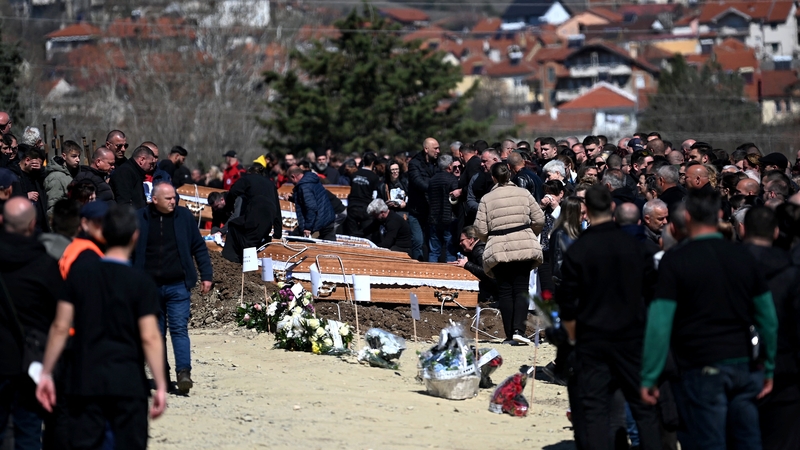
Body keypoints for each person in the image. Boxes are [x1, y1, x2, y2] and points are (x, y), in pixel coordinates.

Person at [640, 189, 778, 450]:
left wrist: (650, 375)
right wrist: (769, 366)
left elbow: (660, 322)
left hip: (700, 364)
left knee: (708, 441)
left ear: (688, 216)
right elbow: (767, 317)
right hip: (743, 364)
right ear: (719, 215)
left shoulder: (675, 260)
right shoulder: (743, 256)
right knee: (748, 440)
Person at [36, 204, 167, 449]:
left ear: (103, 233)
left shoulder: (80, 273)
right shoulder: (141, 283)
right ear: (135, 236)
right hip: (127, 382)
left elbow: (61, 327)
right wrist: (160, 384)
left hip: (85, 378)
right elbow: (150, 336)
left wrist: (46, 373)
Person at [557, 185, 662, 450]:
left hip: (593, 338)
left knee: (595, 409)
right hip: (632, 336)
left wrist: (572, 337)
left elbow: (567, 303)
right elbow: (653, 295)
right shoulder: (636, 246)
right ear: (612, 208)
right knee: (643, 407)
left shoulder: (579, 249)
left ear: (588, 210)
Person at [134, 183, 212, 394]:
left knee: (179, 329)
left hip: (178, 284)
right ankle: (162, 376)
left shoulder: (184, 217)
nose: (173, 201)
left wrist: (206, 276)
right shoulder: (139, 218)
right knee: (156, 334)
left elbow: (198, 247)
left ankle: (184, 372)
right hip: (149, 288)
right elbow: (128, 250)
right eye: (167, 198)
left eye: (174, 197)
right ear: (154, 200)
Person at [0, 197, 64, 450]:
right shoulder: (45, 264)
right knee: (29, 431)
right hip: (32, 359)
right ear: (33, 224)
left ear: (3, 221)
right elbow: (59, 315)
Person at [739, 206, 800, 450]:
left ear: (742, 231)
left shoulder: (729, 264)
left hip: (737, 361)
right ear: (775, 232)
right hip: (786, 367)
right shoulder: (790, 271)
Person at [474, 163, 545, 344]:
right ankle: (518, 331)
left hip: (499, 247)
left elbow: (480, 229)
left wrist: (489, 238)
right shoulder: (524, 193)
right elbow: (539, 219)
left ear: (493, 178)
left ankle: (509, 334)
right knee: (521, 289)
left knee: (505, 291)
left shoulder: (487, 199)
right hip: (523, 243)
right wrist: (529, 233)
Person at [221, 166, 282, 264]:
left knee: (234, 226)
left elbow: (233, 192)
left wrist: (229, 208)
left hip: (256, 208)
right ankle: (248, 263)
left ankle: (233, 260)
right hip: (270, 213)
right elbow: (278, 210)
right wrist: (278, 234)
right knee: (255, 236)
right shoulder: (271, 184)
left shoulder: (247, 179)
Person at [407, 138, 440, 260]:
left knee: (431, 243)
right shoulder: (414, 164)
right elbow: (418, 182)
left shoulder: (436, 164)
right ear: (426, 149)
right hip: (416, 211)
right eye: (435, 148)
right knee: (418, 241)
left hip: (431, 211)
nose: (438, 151)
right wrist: (435, 188)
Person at [287, 167, 336, 240]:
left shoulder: (304, 186)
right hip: (327, 218)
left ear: (293, 176)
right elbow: (308, 200)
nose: (292, 183)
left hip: (319, 221)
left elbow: (311, 207)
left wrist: (308, 227)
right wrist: (292, 198)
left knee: (295, 239)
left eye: (291, 180)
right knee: (330, 244)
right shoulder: (311, 180)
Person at [427, 154, 460, 262]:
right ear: (450, 166)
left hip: (433, 218)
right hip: (449, 218)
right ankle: (450, 275)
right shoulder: (452, 179)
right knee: (450, 249)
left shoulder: (432, 180)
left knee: (434, 250)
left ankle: (431, 274)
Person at [450, 225, 495, 303]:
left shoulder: (479, 250)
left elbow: (486, 272)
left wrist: (467, 264)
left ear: (471, 240)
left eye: (462, 240)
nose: (460, 243)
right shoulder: (477, 249)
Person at [11, 144, 50, 232]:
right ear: (27, 160)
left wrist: (41, 170)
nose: (37, 167)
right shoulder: (13, 174)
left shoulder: (36, 174)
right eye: (36, 164)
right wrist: (25, 196)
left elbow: (47, 176)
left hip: (39, 226)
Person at [344, 152, 381, 237]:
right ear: (373, 163)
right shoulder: (374, 177)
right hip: (366, 208)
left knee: (352, 236)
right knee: (366, 235)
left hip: (352, 207)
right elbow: (374, 196)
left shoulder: (354, 174)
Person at [44, 140, 81, 215]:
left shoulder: (74, 173)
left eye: (78, 156)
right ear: (64, 156)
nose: (78, 160)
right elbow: (53, 207)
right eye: (74, 156)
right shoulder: (56, 177)